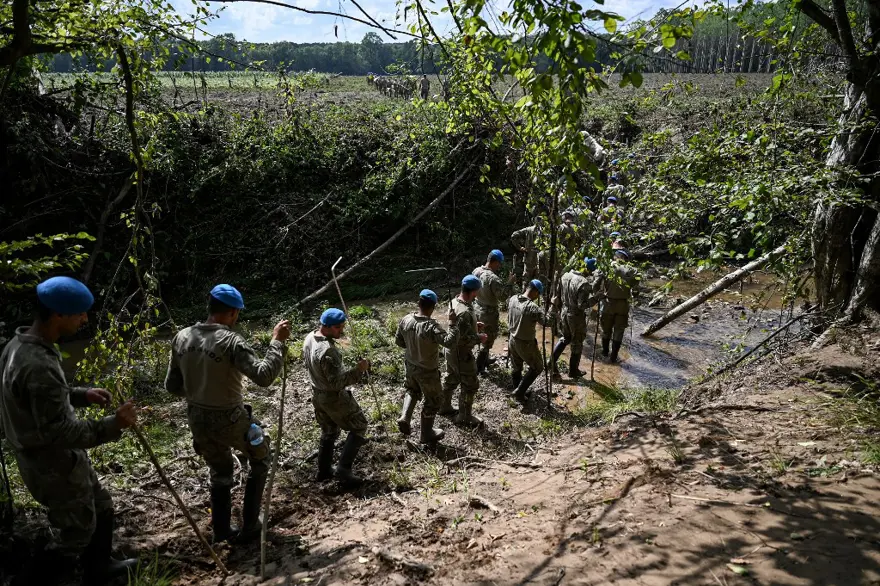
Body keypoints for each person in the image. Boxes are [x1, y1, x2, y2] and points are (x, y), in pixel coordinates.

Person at [0, 276, 139, 584]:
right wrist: (113, 425)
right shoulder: (38, 364)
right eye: (79, 313)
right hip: (50, 462)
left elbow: (37, 397)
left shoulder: (19, 344)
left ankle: (100, 569)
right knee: (75, 532)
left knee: (101, 504)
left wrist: (80, 394)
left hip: (52, 456)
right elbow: (61, 432)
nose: (84, 319)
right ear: (58, 314)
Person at [165, 284, 290, 543]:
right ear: (233, 313)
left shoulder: (182, 337)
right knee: (261, 456)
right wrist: (277, 342)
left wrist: (201, 389)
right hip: (229, 417)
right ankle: (251, 524)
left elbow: (172, 386)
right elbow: (264, 376)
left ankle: (222, 530)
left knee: (220, 472)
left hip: (197, 418)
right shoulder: (231, 340)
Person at [303, 309, 371, 486]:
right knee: (359, 426)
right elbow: (336, 383)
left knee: (329, 431)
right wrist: (359, 370)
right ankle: (344, 470)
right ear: (329, 327)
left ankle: (324, 470)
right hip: (333, 397)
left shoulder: (310, 337)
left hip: (317, 394)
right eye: (339, 328)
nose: (342, 331)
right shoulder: (327, 351)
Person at [394, 290, 458, 443]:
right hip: (427, 371)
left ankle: (405, 416)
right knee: (433, 401)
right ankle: (426, 434)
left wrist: (413, 347)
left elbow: (399, 342)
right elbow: (449, 342)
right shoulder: (431, 327)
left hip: (410, 366)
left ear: (418, 303)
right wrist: (453, 324)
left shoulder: (406, 319)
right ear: (433, 307)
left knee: (412, 390)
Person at [440, 275, 488, 427]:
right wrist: (479, 338)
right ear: (473, 291)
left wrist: (474, 326)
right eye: (477, 291)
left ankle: (444, 406)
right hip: (461, 353)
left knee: (451, 377)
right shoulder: (465, 312)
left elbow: (459, 329)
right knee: (470, 385)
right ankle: (464, 416)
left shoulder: (455, 301)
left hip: (450, 351)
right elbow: (464, 339)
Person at [550, 258, 605, 377]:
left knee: (565, 338)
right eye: (591, 272)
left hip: (564, 312)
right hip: (575, 316)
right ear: (588, 270)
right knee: (577, 343)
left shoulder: (565, 275)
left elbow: (558, 295)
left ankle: (551, 362)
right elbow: (582, 305)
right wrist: (596, 298)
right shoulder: (583, 283)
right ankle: (573, 371)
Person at [472, 249, 514, 375]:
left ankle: (485, 360)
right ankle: (479, 367)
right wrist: (510, 283)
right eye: (499, 263)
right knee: (488, 339)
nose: (499, 266)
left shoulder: (476, 271)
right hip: (488, 313)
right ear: (495, 262)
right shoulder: (493, 278)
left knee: (481, 335)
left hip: (477, 307)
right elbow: (502, 297)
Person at [507, 280, 547, 403]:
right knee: (538, 366)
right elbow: (547, 322)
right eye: (538, 294)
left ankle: (518, 389)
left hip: (512, 339)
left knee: (516, 367)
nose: (537, 297)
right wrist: (554, 308)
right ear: (535, 292)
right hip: (525, 343)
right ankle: (519, 392)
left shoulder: (513, 298)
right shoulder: (532, 307)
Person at [601, 250, 640, 362]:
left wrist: (600, 295)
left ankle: (604, 352)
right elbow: (636, 286)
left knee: (606, 329)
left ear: (615, 257)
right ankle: (613, 357)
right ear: (625, 258)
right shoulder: (632, 270)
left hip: (608, 302)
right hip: (623, 304)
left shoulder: (607, 267)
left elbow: (596, 283)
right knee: (619, 331)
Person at [510, 217, 543, 285]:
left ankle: (524, 294)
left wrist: (520, 248)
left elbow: (513, 236)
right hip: (540, 259)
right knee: (539, 280)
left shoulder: (528, 230)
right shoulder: (545, 232)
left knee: (526, 280)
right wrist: (520, 248)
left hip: (529, 259)